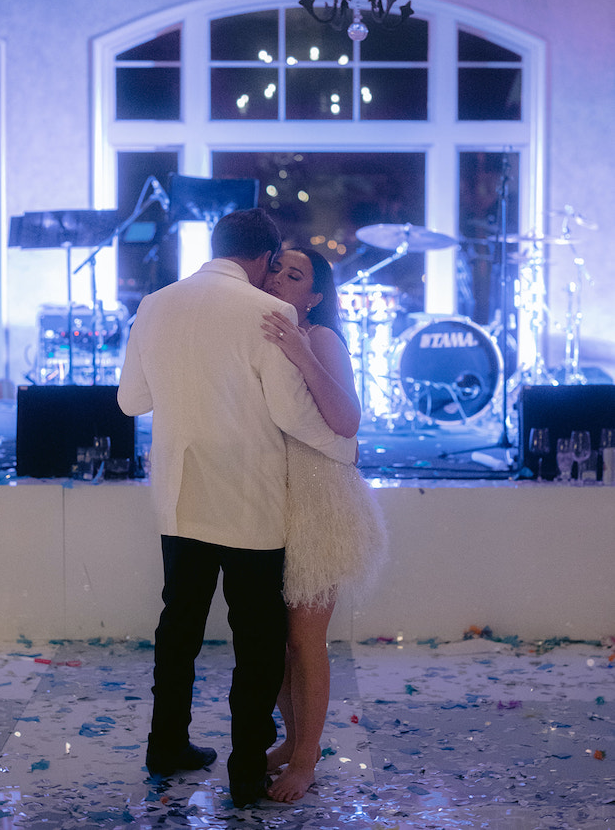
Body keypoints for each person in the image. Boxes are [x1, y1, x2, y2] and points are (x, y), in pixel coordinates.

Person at [116, 209, 356, 809]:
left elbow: (130, 401)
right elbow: (292, 417)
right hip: (252, 502)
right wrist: (345, 446)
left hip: (181, 498)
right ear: (267, 257)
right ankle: (247, 771)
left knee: (179, 631)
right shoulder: (265, 313)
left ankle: (165, 745)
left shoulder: (155, 304)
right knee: (257, 641)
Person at [260, 247, 388, 803]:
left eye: (296, 275)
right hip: (273, 500)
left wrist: (301, 351)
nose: (280, 279)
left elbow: (347, 420)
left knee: (307, 638)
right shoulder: (257, 330)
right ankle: (292, 741)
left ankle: (306, 758)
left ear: (313, 296)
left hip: (321, 502)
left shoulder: (320, 337)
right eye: (276, 269)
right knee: (280, 641)